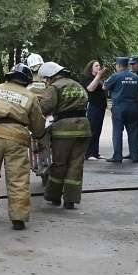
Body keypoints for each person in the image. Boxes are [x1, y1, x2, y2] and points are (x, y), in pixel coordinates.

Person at [0, 63, 46, 230]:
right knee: (18, 178)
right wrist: (38, 134)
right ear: (26, 80)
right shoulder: (29, 95)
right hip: (16, 137)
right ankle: (18, 218)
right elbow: (37, 125)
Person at [37, 62, 90, 209]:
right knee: (76, 165)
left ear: (50, 76)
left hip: (64, 130)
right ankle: (70, 200)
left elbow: (45, 107)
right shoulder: (77, 85)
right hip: (83, 128)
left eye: (46, 79)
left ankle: (53, 197)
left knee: (59, 164)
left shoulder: (55, 87)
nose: (46, 82)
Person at [102, 56, 138, 163]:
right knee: (133, 131)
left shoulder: (115, 76)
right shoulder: (135, 76)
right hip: (133, 106)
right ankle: (135, 156)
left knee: (117, 132)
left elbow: (104, 87)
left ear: (118, 65)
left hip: (119, 107)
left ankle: (117, 156)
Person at [81, 60, 107, 160]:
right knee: (92, 129)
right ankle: (89, 153)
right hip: (93, 106)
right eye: (96, 66)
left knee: (98, 130)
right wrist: (98, 77)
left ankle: (95, 152)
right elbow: (90, 88)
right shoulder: (88, 78)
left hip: (101, 107)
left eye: (99, 65)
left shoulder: (99, 79)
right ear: (91, 68)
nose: (98, 67)